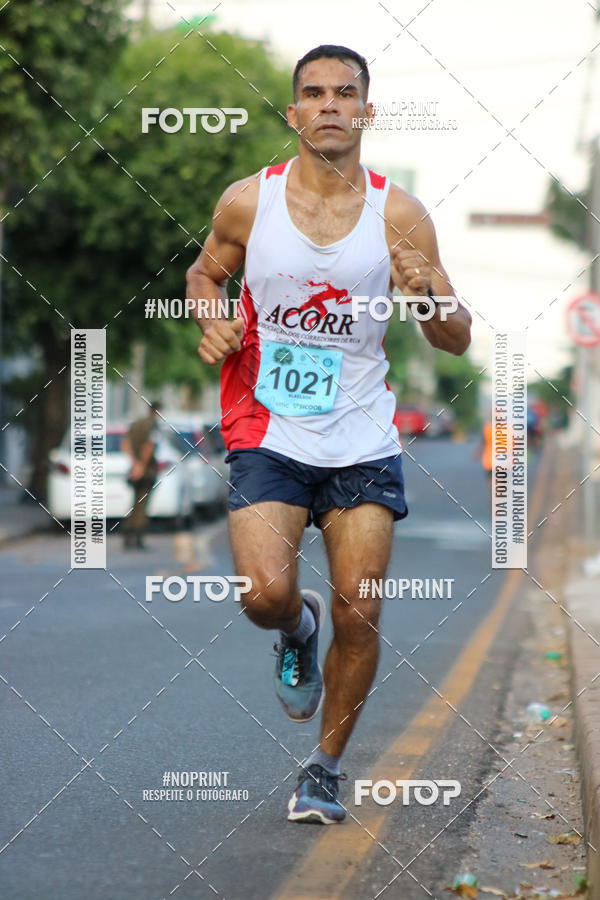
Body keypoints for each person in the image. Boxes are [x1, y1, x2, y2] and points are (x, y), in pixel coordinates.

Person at [186, 44, 472, 824]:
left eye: (346, 93)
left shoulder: (400, 215)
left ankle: (325, 768)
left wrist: (428, 295)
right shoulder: (248, 202)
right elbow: (205, 274)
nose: (330, 105)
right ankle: (296, 625)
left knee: (362, 611)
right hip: (268, 425)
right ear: (294, 113)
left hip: (363, 436)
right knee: (264, 595)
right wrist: (212, 319)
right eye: (314, 93)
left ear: (367, 112)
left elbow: (454, 339)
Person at [121, 401, 161, 550]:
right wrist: (141, 466)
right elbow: (149, 447)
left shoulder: (136, 424)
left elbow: (125, 444)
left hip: (134, 468)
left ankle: (127, 535)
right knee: (142, 504)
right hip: (146, 470)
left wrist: (134, 463)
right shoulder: (152, 425)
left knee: (135, 502)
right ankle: (137, 536)